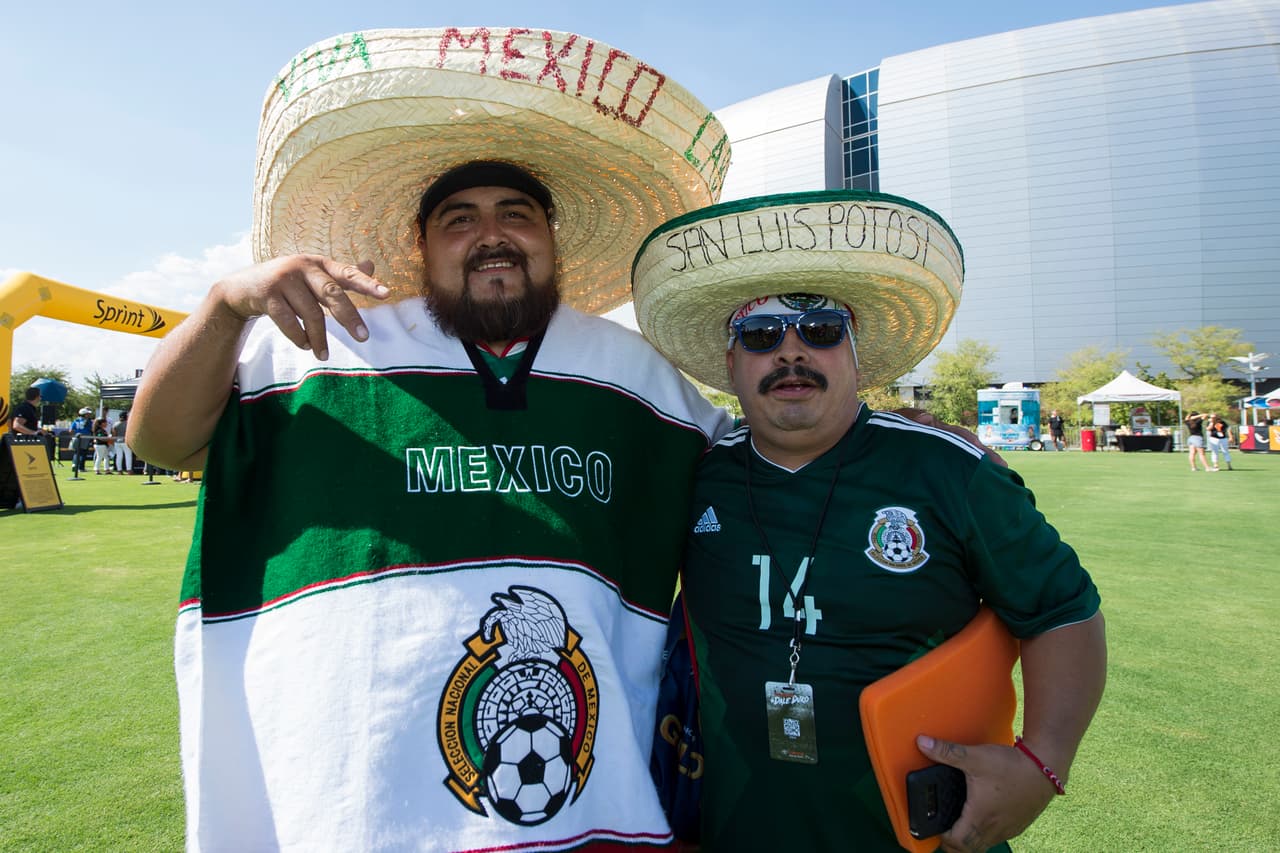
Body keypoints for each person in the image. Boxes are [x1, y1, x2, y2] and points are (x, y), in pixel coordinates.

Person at [127, 28, 735, 852]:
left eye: (516, 213)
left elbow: (759, 470)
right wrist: (225, 305)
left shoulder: (634, 372)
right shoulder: (324, 345)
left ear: (552, 238)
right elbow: (160, 439)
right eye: (459, 218)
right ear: (420, 246)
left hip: (583, 801)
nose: (492, 233)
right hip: (354, 806)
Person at [632, 192, 1107, 853]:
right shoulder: (696, 472)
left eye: (821, 330)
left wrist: (1044, 760)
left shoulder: (947, 468)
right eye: (761, 335)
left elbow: (1063, 610)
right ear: (732, 364)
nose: (791, 352)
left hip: (929, 837)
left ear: (856, 356)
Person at [69, 407, 94, 477]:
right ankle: (81, 467)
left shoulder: (76, 420)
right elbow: (92, 429)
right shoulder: (88, 421)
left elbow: (70, 430)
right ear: (84, 414)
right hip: (85, 437)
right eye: (87, 414)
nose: (88, 415)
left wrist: (74, 435)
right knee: (83, 452)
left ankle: (74, 464)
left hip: (76, 437)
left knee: (76, 452)